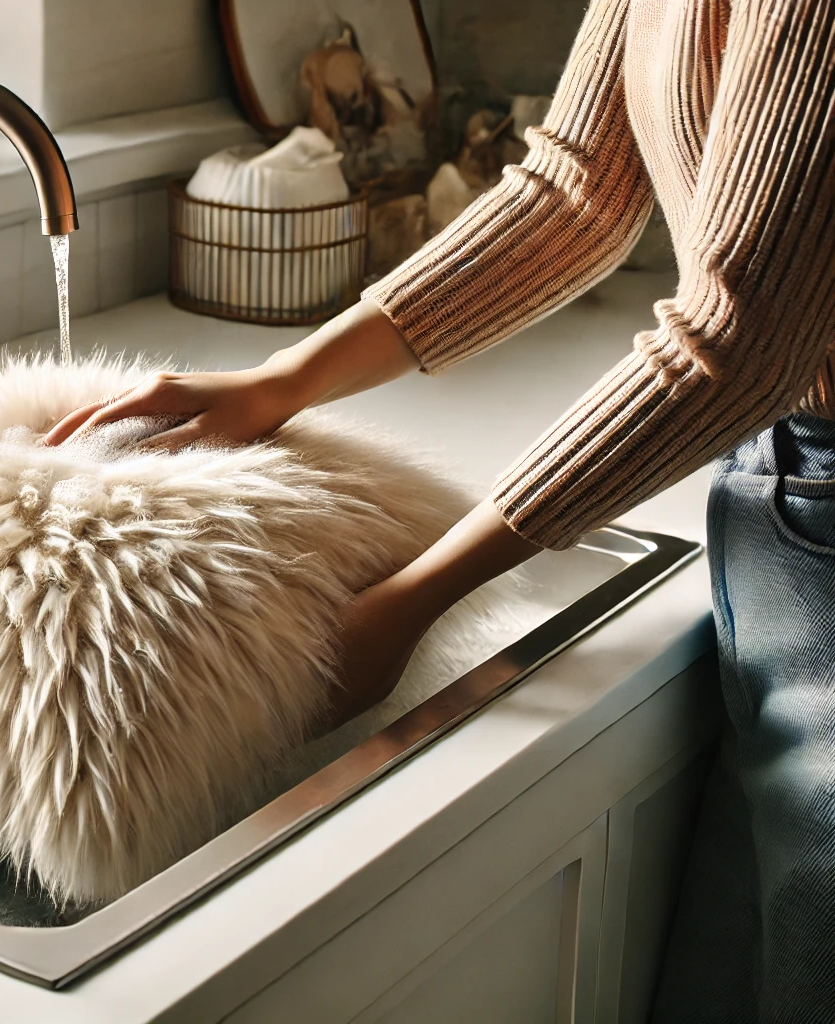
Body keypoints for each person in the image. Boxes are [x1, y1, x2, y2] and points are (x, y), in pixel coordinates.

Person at [46, 0, 835, 1019]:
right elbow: (574, 194)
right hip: (774, 487)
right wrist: (280, 381)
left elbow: (737, 340)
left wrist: (414, 594)